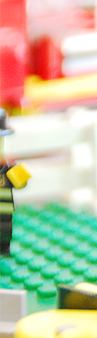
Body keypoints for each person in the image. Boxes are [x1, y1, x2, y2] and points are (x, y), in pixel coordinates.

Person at [0, 109, 31, 255]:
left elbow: (22, 184)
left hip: (5, 208)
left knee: (5, 230)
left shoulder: (9, 165)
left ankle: (4, 248)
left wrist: (17, 170)